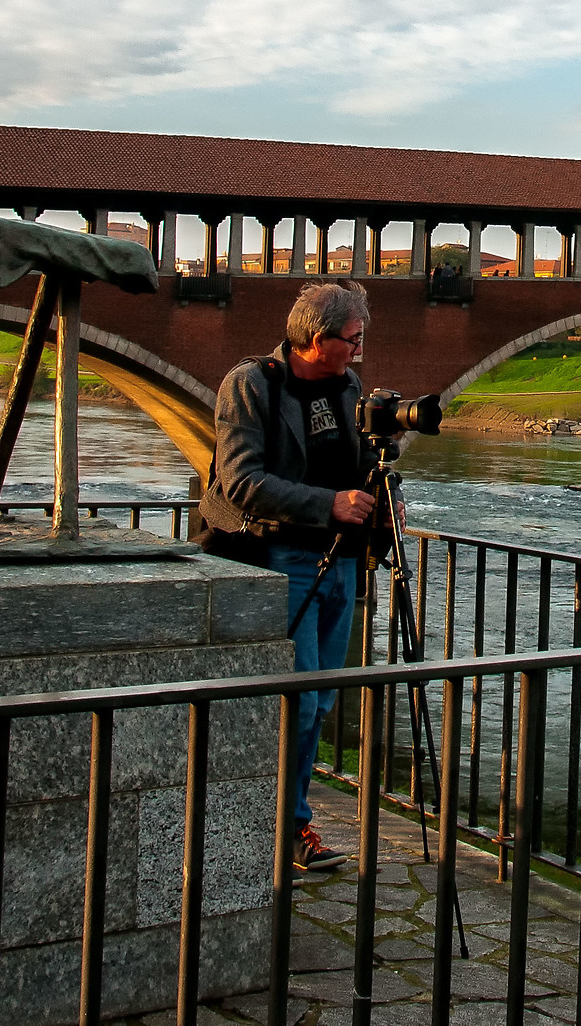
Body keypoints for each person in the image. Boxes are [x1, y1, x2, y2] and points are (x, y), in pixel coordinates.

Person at [202, 280, 389, 874]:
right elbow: (241, 482)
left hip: (343, 559)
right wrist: (327, 504)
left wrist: (384, 482)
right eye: (352, 340)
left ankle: (289, 818)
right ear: (315, 340)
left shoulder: (349, 386)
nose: (360, 349)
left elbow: (356, 465)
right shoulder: (252, 384)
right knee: (300, 702)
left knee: (321, 699)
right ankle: (284, 824)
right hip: (281, 557)